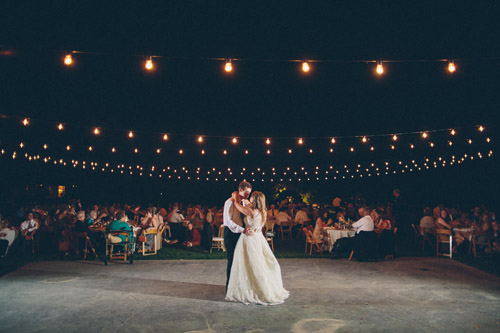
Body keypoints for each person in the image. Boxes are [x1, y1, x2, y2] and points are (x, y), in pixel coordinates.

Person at [225, 191, 289, 305]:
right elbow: (247, 205)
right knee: (260, 263)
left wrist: (235, 198)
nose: (250, 200)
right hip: (259, 238)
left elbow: (237, 206)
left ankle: (253, 288)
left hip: (249, 239)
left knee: (250, 264)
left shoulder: (251, 211)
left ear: (255, 200)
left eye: (252, 198)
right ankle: (257, 286)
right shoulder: (262, 211)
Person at [223, 181, 254, 290]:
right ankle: (230, 288)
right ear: (240, 190)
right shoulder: (229, 202)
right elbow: (228, 222)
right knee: (232, 260)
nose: (248, 195)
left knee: (242, 261)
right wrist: (242, 230)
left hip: (242, 234)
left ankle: (239, 287)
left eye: (249, 193)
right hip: (231, 234)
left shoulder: (244, 203)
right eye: (246, 192)